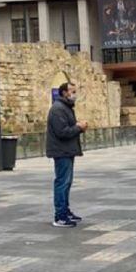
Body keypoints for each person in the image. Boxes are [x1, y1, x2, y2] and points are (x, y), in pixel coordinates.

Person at [45, 82, 87, 228]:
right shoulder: (58, 109)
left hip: (67, 150)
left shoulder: (66, 108)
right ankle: (60, 216)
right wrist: (78, 127)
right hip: (61, 151)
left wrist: (78, 127)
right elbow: (62, 132)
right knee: (62, 182)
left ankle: (65, 211)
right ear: (64, 92)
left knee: (67, 182)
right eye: (72, 91)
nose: (74, 94)